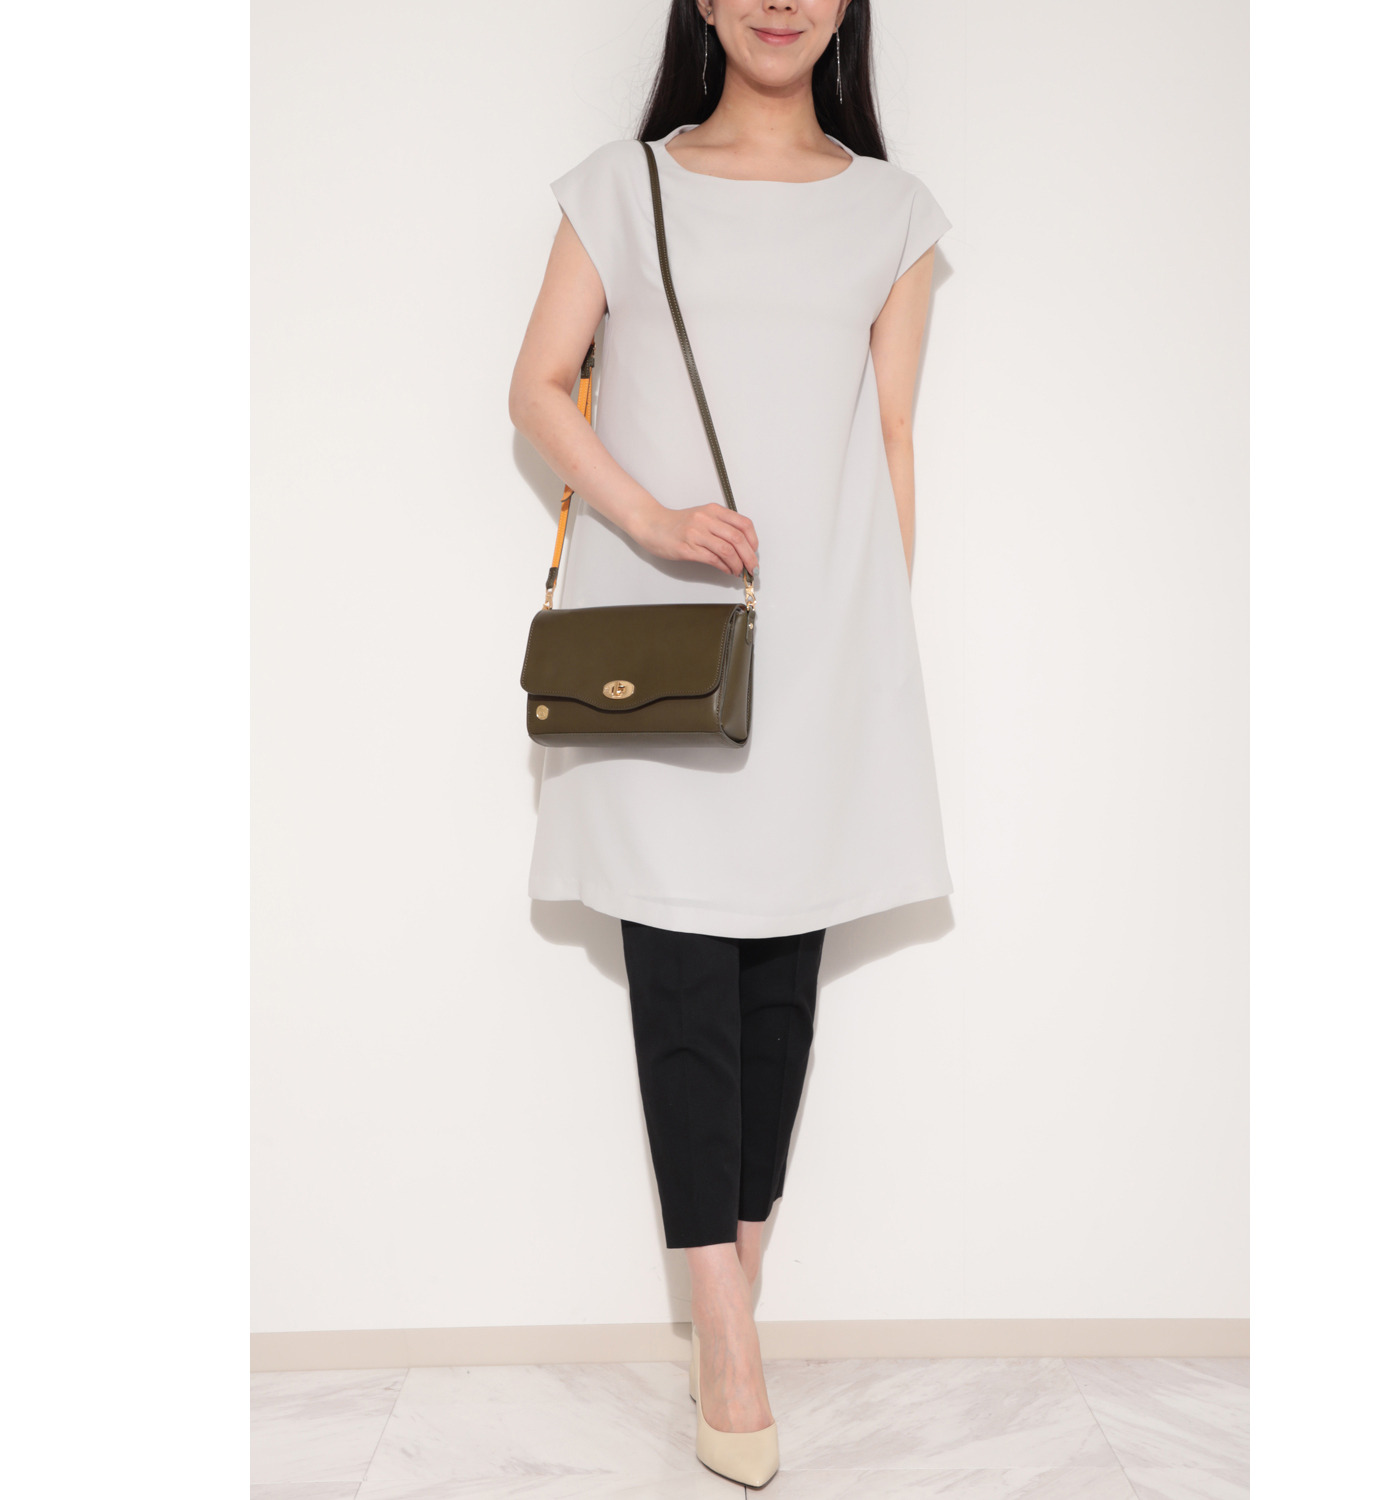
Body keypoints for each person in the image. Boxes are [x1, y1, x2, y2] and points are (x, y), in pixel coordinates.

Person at [509, 0, 951, 1485]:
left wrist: (873, 647)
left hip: (818, 642)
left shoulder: (894, 213)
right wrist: (652, 520)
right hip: (657, 642)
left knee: (781, 975)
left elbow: (892, 439)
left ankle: (731, 1295)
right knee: (682, 960)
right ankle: (727, 1326)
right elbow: (535, 385)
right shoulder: (622, 185)